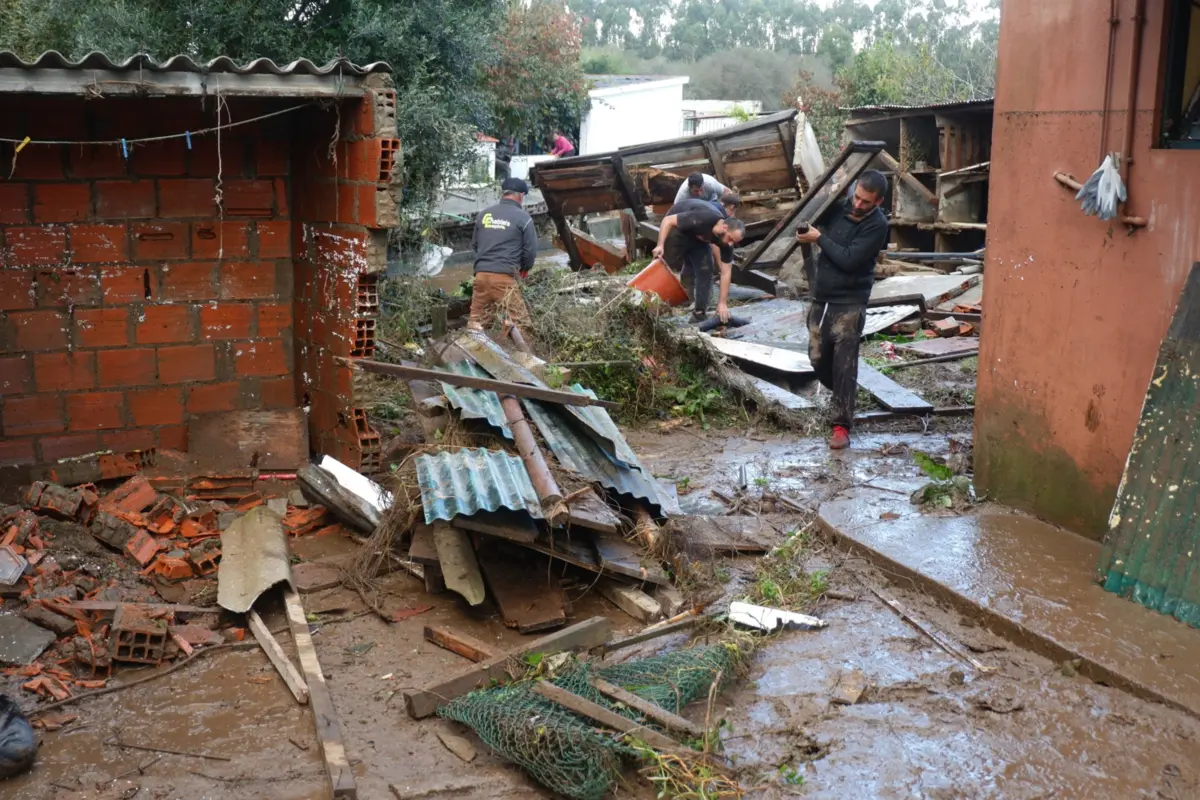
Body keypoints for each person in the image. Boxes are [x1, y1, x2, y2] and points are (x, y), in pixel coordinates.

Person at [795, 169, 890, 450]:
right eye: (857, 198)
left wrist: (818, 239)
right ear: (854, 190)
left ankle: (841, 425)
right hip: (822, 297)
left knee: (844, 363)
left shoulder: (877, 225)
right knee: (816, 358)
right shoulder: (840, 207)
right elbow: (810, 210)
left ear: (879, 201)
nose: (859, 205)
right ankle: (843, 393)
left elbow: (848, 259)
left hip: (850, 300)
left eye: (866, 202)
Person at [468, 177, 537, 339]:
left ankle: (470, 356)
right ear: (520, 196)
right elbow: (530, 252)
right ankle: (525, 360)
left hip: (481, 277)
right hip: (505, 279)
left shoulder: (484, 215)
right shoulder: (524, 218)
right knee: (523, 325)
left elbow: (475, 245)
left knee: (477, 323)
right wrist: (524, 269)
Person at [654, 203, 746, 324]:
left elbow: (726, 272)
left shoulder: (727, 243)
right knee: (662, 266)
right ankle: (646, 300)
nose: (730, 244)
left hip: (699, 239)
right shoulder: (704, 218)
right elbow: (668, 220)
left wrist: (722, 303)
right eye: (730, 239)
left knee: (706, 269)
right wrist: (660, 245)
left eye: (734, 242)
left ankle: (699, 314)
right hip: (678, 229)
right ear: (724, 227)